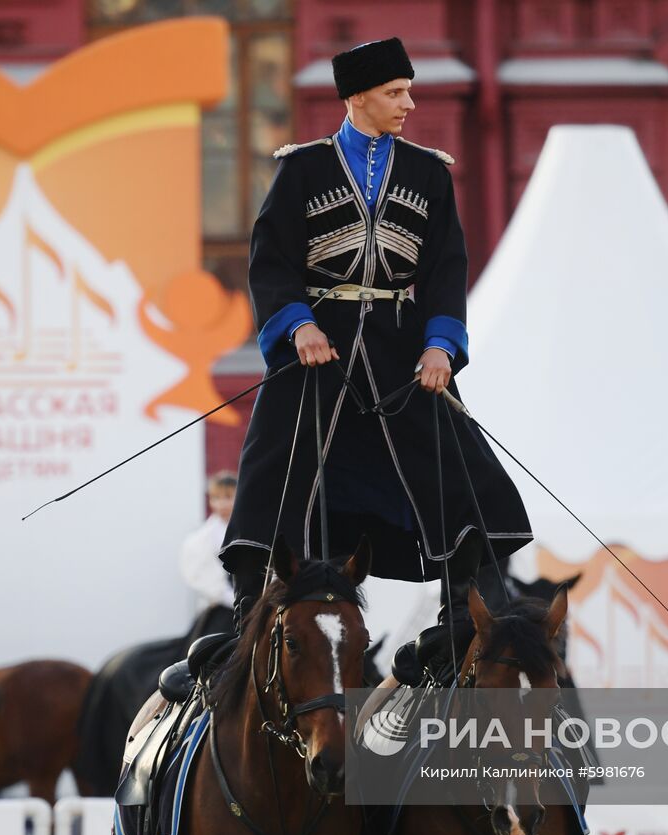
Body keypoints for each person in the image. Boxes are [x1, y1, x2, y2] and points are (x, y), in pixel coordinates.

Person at [219, 37, 530, 675]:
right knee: (277, 454)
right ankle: (251, 605)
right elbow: (271, 258)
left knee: (456, 459)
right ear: (357, 97)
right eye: (395, 93)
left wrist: (442, 344)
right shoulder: (301, 169)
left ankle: (465, 602)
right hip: (318, 344)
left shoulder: (427, 172)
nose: (408, 104)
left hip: (400, 343)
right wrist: (297, 325)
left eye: (409, 91)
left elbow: (446, 268)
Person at [179, 472, 237, 610]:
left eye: (228, 497)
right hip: (220, 606)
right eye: (216, 498)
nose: (221, 503)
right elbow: (203, 577)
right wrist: (231, 598)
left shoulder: (250, 529)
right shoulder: (201, 539)